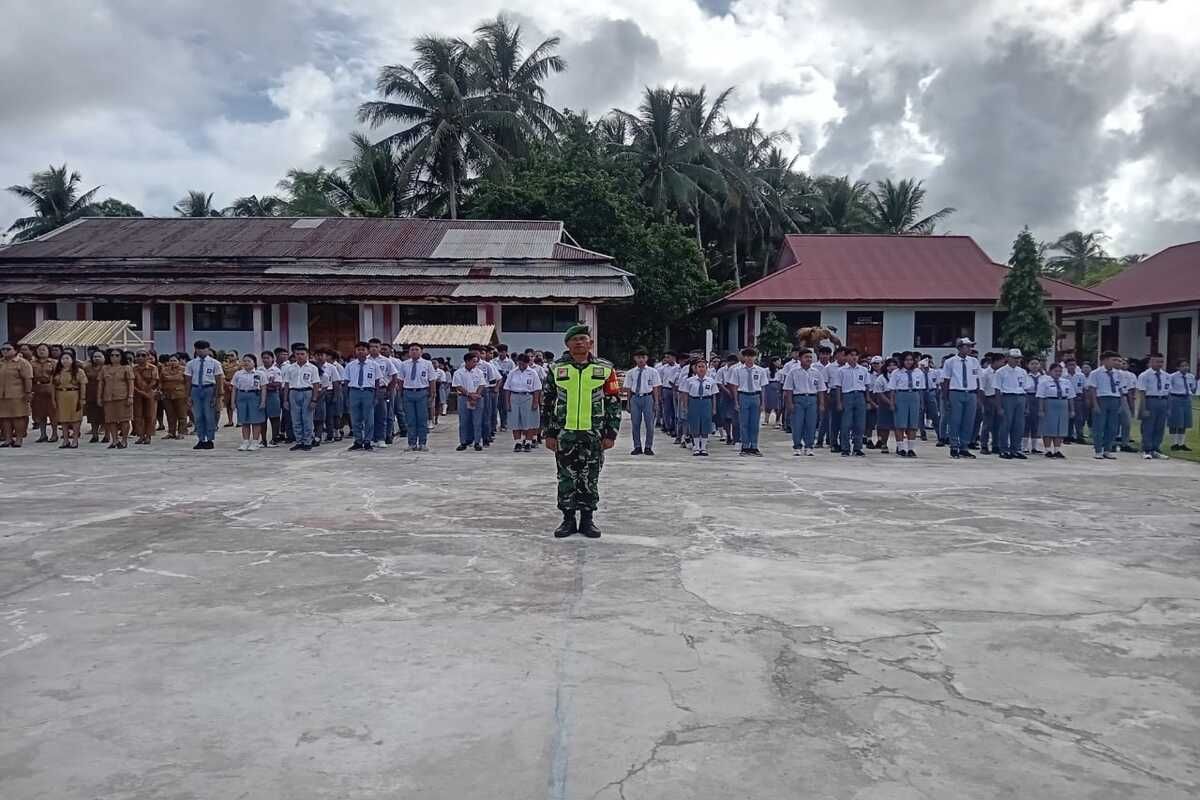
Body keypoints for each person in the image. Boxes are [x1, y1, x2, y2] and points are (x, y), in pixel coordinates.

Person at [541, 324, 621, 539]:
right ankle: (567, 520)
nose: (579, 342)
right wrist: (548, 433)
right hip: (564, 434)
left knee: (590, 477)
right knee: (566, 477)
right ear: (567, 344)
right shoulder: (556, 368)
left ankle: (587, 520)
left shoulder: (605, 368)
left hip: (593, 434)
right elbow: (547, 402)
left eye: (583, 338)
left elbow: (614, 402)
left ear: (590, 343)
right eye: (574, 339)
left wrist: (611, 433)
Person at [942, 337, 981, 459]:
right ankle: (954, 445)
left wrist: (978, 395)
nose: (970, 348)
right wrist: (946, 397)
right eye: (967, 346)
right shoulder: (950, 362)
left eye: (970, 346)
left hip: (971, 392)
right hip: (956, 391)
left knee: (968, 421)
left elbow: (977, 378)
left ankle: (964, 446)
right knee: (955, 420)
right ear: (959, 347)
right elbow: (946, 380)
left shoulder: (974, 361)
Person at [784, 348, 825, 456]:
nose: (809, 359)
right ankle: (797, 446)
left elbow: (821, 389)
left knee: (811, 425)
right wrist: (790, 404)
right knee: (797, 424)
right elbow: (788, 389)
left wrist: (821, 404)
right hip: (798, 399)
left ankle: (809, 446)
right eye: (806, 357)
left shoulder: (816, 372)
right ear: (800, 358)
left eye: (810, 357)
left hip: (812, 399)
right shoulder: (793, 371)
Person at [185, 340, 224, 450]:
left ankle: (210, 439)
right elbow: (188, 380)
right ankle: (201, 439)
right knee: (198, 416)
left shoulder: (215, 363)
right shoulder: (191, 363)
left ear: (208, 349)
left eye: (203, 348)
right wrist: (188, 396)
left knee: (209, 415)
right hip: (196, 389)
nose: (201, 351)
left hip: (209, 389)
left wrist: (216, 396)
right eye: (198, 349)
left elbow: (218, 380)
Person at [729, 347, 769, 456]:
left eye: (752, 356)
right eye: (747, 356)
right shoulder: (737, 370)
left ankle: (754, 446)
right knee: (744, 423)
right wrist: (736, 402)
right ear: (744, 357)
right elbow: (735, 387)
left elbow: (763, 388)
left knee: (755, 423)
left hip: (755, 396)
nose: (749, 358)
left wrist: (763, 403)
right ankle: (745, 446)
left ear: (755, 357)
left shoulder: (760, 370)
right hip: (743, 395)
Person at [623, 348, 661, 455]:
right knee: (635, 424)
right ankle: (637, 446)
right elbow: (629, 388)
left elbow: (655, 388)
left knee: (649, 424)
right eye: (639, 357)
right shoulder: (631, 373)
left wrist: (656, 402)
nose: (641, 360)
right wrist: (628, 402)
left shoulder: (653, 372)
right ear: (635, 358)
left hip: (648, 397)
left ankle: (648, 446)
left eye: (643, 357)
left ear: (647, 358)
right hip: (635, 398)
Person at [1087, 350, 1124, 460]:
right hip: (1101, 398)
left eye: (1118, 360)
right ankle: (1098, 450)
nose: (1116, 362)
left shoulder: (1118, 374)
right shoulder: (1096, 373)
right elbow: (1092, 389)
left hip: (1115, 399)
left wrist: (1121, 403)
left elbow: (1120, 389)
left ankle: (1107, 449)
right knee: (1099, 426)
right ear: (1105, 360)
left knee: (1112, 427)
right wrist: (1095, 404)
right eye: (1114, 360)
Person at [283, 344, 321, 451]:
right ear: (294, 355)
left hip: (307, 393)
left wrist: (314, 399)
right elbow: (286, 384)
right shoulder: (290, 368)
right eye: (297, 354)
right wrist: (285, 400)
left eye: (302, 354)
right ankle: (299, 441)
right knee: (295, 419)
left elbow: (316, 385)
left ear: (307, 355)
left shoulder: (312, 368)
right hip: (293, 392)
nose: (300, 356)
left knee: (307, 419)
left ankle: (307, 441)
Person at [398, 343, 435, 451]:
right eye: (412, 349)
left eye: (416, 349)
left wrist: (432, 394)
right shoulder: (404, 364)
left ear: (421, 351)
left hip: (422, 392)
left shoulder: (427, 364)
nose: (414, 351)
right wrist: (400, 393)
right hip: (408, 392)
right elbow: (400, 380)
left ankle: (422, 443)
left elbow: (432, 380)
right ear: (409, 352)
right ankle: (412, 443)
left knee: (422, 419)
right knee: (410, 420)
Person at [993, 349, 1029, 460]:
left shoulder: (1022, 372)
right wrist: (999, 407)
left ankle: (1016, 449)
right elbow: (997, 390)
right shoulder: (1001, 372)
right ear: (1008, 358)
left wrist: (1026, 405)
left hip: (1020, 397)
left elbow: (1025, 389)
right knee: (1006, 424)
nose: (1017, 360)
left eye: (1019, 358)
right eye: (1014, 358)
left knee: (1019, 425)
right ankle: (1003, 449)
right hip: (1007, 397)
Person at [1136, 353, 1172, 460]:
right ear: (1151, 362)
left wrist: (1169, 408)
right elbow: (1141, 393)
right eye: (1157, 361)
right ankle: (1147, 449)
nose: (1159, 364)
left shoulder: (1166, 375)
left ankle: (1156, 448)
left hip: (1163, 401)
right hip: (1150, 400)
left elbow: (1169, 392)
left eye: (1161, 361)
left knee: (1160, 427)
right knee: (1148, 426)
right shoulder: (1144, 375)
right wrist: (1144, 408)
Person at [504, 353, 543, 451]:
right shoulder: (513, 372)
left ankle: (528, 442)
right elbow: (507, 388)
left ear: (527, 363)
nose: (521, 366)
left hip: (528, 397)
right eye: (519, 363)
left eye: (523, 364)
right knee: (515, 421)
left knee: (529, 421)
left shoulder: (533, 373)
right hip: (514, 397)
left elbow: (537, 389)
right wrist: (507, 403)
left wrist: (535, 402)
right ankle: (518, 442)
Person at [835, 348, 870, 457]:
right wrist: (839, 402)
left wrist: (868, 401)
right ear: (846, 357)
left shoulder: (863, 370)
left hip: (860, 396)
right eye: (851, 355)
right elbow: (838, 388)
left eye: (856, 355)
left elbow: (867, 386)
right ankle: (845, 448)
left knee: (860, 424)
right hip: (847, 396)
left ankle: (857, 447)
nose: (854, 357)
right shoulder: (841, 370)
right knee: (846, 424)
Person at [889, 352, 924, 458]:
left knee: (913, 425)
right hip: (901, 396)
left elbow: (921, 389)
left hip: (914, 395)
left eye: (911, 360)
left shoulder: (918, 372)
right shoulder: (896, 372)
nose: (909, 362)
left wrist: (921, 403)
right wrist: (892, 402)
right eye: (906, 360)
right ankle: (901, 448)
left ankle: (911, 449)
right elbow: (892, 389)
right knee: (900, 424)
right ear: (902, 361)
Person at [97, 348, 134, 449]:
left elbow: (130, 383)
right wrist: (99, 397)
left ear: (122, 357)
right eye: (112, 355)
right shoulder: (105, 368)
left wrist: (130, 396)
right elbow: (101, 383)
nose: (114, 357)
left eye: (117, 355)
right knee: (110, 420)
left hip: (123, 397)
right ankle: (114, 440)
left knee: (125, 420)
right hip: (108, 398)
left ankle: (124, 440)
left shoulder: (126, 368)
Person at [681, 358, 718, 456]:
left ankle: (703, 447)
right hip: (694, 401)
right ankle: (697, 447)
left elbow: (714, 395)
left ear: (707, 369)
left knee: (705, 424)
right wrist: (685, 406)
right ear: (695, 368)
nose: (701, 369)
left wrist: (714, 408)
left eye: (703, 367)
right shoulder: (690, 380)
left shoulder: (711, 381)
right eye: (699, 367)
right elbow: (685, 394)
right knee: (695, 424)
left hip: (706, 402)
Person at [49, 350, 85, 449]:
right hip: (60, 395)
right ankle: (65, 440)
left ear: (72, 360)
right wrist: (53, 399)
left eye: (67, 358)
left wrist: (82, 398)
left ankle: (75, 440)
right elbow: (52, 386)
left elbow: (82, 385)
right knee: (63, 419)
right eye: (63, 358)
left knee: (75, 418)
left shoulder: (78, 371)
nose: (65, 361)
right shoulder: (57, 372)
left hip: (74, 395)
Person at [0, 341, 34, 448]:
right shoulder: (1, 362)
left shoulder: (22, 363)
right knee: (4, 418)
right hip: (2, 395)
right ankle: (8, 439)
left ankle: (19, 439)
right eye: (3, 349)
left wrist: (28, 392)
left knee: (18, 418)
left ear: (15, 350)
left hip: (18, 395)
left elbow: (28, 379)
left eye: (8, 349)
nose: (5, 351)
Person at [1037, 361, 1073, 458]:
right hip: (1050, 403)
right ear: (1050, 372)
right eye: (1056, 371)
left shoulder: (1066, 382)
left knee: (1060, 428)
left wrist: (1072, 410)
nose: (1058, 373)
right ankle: (1048, 450)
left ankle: (1057, 449)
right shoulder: (1044, 382)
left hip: (1063, 404)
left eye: (1060, 371)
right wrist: (1041, 410)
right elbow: (1041, 396)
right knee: (1049, 427)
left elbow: (1070, 396)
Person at [452, 351, 487, 452]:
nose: (475, 364)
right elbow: (458, 385)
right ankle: (463, 442)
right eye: (473, 361)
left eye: (476, 362)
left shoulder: (479, 372)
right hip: (464, 398)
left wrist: (476, 395)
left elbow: (482, 384)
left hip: (477, 398)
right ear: (467, 361)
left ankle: (477, 442)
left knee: (477, 421)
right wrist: (469, 394)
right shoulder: (459, 372)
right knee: (464, 421)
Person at [231, 353, 267, 451]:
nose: (246, 363)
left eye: (248, 361)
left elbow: (263, 388)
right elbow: (234, 389)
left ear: (254, 363)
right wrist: (233, 402)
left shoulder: (260, 374)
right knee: (244, 421)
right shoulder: (238, 374)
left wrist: (263, 401)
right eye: (244, 361)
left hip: (255, 396)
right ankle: (245, 441)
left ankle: (255, 442)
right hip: (242, 396)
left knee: (255, 421)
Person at [130, 350, 159, 446]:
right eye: (138, 355)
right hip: (137, 394)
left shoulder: (153, 368)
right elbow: (131, 383)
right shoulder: (133, 369)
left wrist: (146, 390)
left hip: (149, 393)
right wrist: (139, 391)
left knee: (150, 415)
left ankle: (148, 436)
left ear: (147, 357)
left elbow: (154, 381)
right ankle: (141, 435)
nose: (140, 357)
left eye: (143, 355)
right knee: (138, 416)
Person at [30, 343, 57, 443]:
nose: (41, 351)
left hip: (50, 388)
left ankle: (54, 434)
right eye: (39, 349)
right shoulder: (32, 363)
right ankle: (43, 434)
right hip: (37, 389)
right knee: (40, 413)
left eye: (43, 349)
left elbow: (56, 376)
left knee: (53, 413)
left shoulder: (54, 362)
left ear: (48, 351)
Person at [158, 353, 189, 440]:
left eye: (174, 360)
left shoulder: (184, 370)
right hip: (167, 395)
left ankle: (181, 432)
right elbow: (160, 381)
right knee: (170, 415)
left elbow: (187, 382)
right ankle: (171, 432)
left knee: (181, 414)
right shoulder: (164, 370)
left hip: (180, 395)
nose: (172, 362)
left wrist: (188, 393)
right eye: (171, 361)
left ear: (179, 361)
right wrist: (160, 390)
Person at [1167, 359, 1196, 451]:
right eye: (1182, 366)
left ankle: (1181, 443)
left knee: (1184, 421)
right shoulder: (1172, 376)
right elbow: (1169, 389)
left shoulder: (1191, 376)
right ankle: (1174, 443)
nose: (1185, 368)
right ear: (1178, 367)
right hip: (1176, 398)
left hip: (1186, 398)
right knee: (1176, 421)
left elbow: (1193, 388)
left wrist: (1192, 389)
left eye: (1186, 365)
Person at [259, 351, 284, 447]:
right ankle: (263, 439)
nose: (265, 360)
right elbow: (257, 384)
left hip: (273, 395)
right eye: (264, 358)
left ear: (272, 359)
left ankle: (274, 438)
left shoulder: (276, 370)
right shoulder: (259, 370)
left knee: (275, 418)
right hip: (261, 395)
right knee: (262, 418)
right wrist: (267, 385)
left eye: (267, 358)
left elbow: (277, 384)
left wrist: (265, 386)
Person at [872, 358, 896, 453]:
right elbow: (879, 393)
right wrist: (890, 402)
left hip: (898, 402)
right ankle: (884, 444)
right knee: (884, 426)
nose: (892, 367)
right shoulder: (881, 378)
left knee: (898, 425)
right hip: (884, 404)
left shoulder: (899, 376)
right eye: (890, 365)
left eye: (894, 365)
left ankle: (900, 445)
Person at [83, 349, 107, 443]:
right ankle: (94, 435)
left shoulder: (107, 368)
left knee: (105, 415)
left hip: (105, 394)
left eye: (99, 356)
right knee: (92, 416)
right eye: (94, 357)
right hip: (91, 393)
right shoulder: (87, 368)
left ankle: (107, 435)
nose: (96, 358)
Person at [1022, 357, 1044, 454]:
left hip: (1039, 399)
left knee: (1036, 424)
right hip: (1029, 398)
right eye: (1032, 364)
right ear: (1028, 365)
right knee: (1026, 423)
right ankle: (1024, 447)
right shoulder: (1025, 376)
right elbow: (1024, 389)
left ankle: (1035, 447)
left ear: (1040, 365)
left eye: (1036, 363)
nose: (1035, 366)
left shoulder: (1044, 377)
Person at [220, 350, 240, 427]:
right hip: (227, 385)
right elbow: (221, 375)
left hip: (237, 385)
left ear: (236, 356)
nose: (230, 357)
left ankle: (240, 421)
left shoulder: (240, 365)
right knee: (228, 404)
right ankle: (230, 421)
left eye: (232, 355)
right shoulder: (224, 365)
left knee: (238, 403)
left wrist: (234, 384)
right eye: (228, 355)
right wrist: (226, 383)